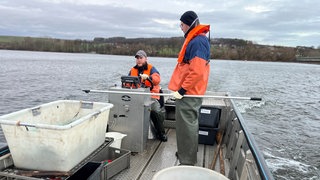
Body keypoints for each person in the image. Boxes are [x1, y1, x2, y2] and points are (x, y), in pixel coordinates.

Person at [168, 11, 210, 165]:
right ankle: (186, 153)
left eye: (182, 24)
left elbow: (197, 71)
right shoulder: (197, 40)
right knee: (187, 125)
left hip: (189, 93)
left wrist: (182, 91)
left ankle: (187, 161)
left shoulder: (198, 41)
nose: (181, 27)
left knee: (187, 127)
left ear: (189, 23)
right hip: (189, 92)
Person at [128, 50, 167, 142]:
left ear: (146, 59)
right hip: (137, 96)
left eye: (141, 58)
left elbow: (157, 79)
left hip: (151, 95)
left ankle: (161, 133)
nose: (139, 60)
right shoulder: (132, 70)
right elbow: (127, 82)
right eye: (137, 58)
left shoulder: (151, 68)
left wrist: (149, 78)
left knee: (156, 111)